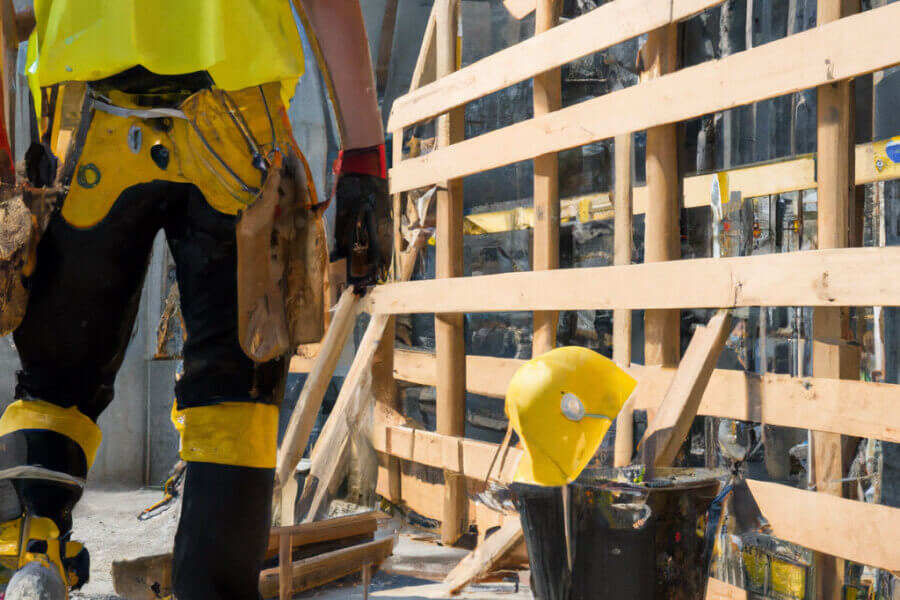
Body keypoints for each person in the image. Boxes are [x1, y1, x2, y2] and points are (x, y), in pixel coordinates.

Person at [0, 2, 389, 599]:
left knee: (54, 387)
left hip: (87, 129)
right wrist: (365, 154)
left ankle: (28, 554)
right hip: (241, 136)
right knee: (236, 400)